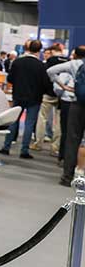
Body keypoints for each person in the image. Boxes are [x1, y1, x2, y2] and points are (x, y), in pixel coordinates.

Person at [0, 40, 52, 159]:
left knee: (13, 121)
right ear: (39, 51)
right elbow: (45, 83)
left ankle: (6, 147)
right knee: (29, 123)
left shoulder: (18, 62)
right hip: (35, 98)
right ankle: (24, 150)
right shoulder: (41, 66)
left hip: (18, 95)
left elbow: (10, 78)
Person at [48, 46, 85, 186]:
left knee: (72, 139)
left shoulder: (74, 64)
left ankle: (67, 176)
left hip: (76, 103)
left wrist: (63, 86)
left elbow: (51, 71)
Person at [32, 44, 68, 153]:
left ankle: (38, 143)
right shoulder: (68, 61)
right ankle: (55, 147)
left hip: (48, 93)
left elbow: (45, 77)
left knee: (42, 118)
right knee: (59, 121)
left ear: (52, 51)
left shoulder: (49, 61)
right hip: (62, 94)